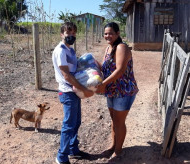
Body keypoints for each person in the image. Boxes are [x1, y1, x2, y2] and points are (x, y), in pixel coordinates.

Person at [96, 22, 139, 159]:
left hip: (124, 90)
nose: (107, 36)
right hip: (112, 89)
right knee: (114, 121)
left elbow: (119, 71)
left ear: (118, 34)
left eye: (111, 33)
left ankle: (118, 152)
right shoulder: (108, 48)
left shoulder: (122, 47)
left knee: (119, 122)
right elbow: (104, 67)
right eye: (106, 33)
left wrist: (103, 84)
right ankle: (113, 146)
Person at [52, 22, 93, 164]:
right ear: (62, 34)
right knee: (69, 125)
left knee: (76, 122)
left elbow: (76, 70)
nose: (72, 35)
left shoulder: (71, 50)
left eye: (74, 33)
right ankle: (61, 157)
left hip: (73, 91)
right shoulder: (61, 51)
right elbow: (67, 76)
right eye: (68, 33)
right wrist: (84, 88)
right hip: (67, 92)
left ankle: (73, 149)